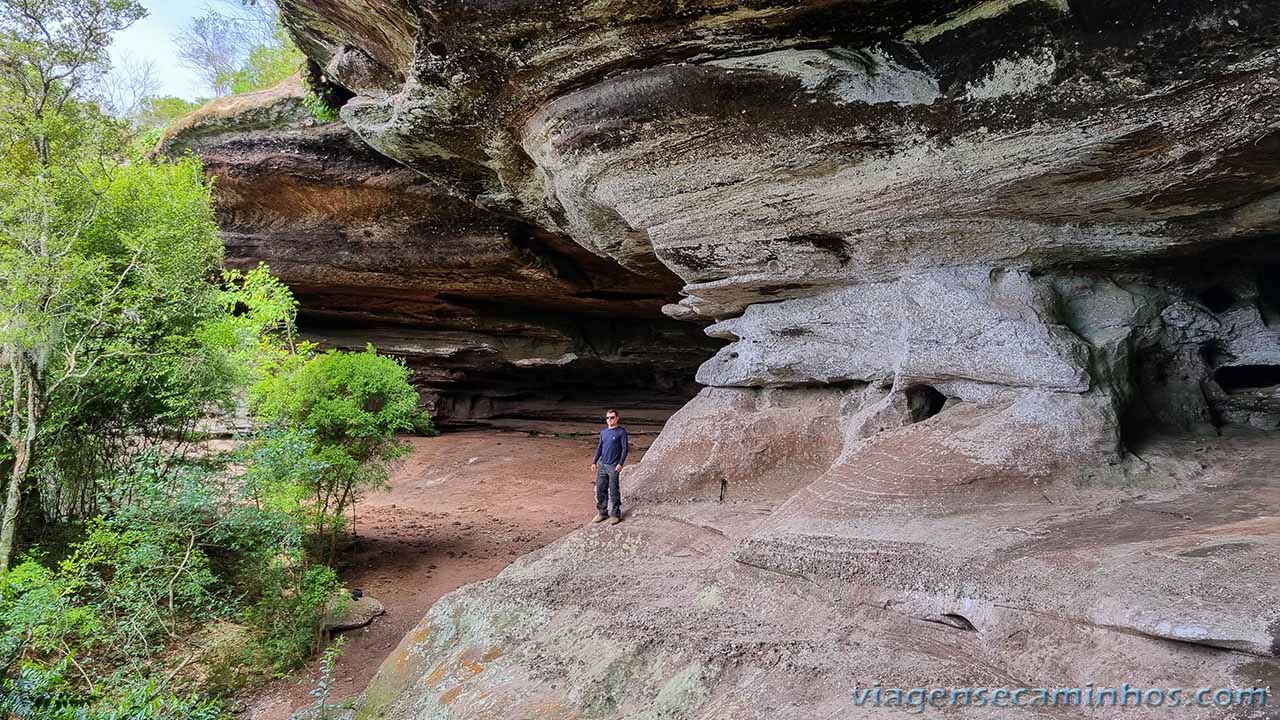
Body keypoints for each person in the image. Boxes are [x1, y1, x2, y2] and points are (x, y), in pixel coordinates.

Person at [590, 408, 628, 525]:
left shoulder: (621, 432)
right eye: (607, 418)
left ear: (617, 418)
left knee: (613, 490)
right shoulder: (604, 432)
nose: (609, 420)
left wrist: (620, 464)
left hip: (613, 466)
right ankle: (602, 512)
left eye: (612, 417)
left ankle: (616, 514)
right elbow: (600, 448)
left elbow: (625, 449)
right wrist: (594, 462)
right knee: (601, 489)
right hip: (602, 465)